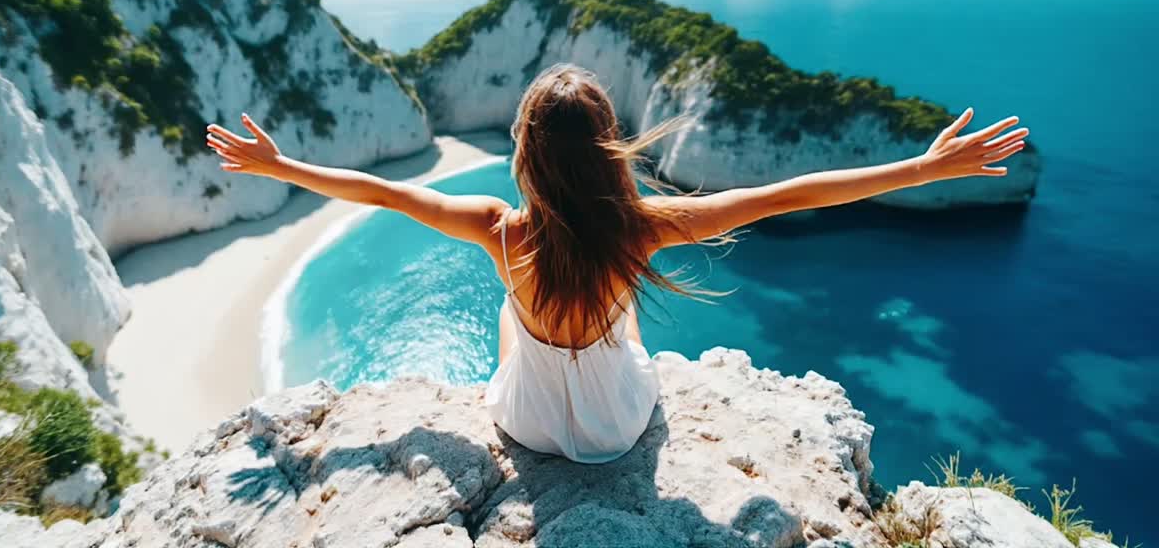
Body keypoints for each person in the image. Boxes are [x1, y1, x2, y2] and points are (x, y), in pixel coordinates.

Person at [205, 63, 1028, 464]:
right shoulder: (642, 231)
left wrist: (284, 169)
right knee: (621, 325)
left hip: (524, 424)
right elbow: (785, 195)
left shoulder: (500, 229)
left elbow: (383, 194)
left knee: (511, 312)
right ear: (608, 151)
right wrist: (919, 171)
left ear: (524, 152)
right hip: (617, 427)